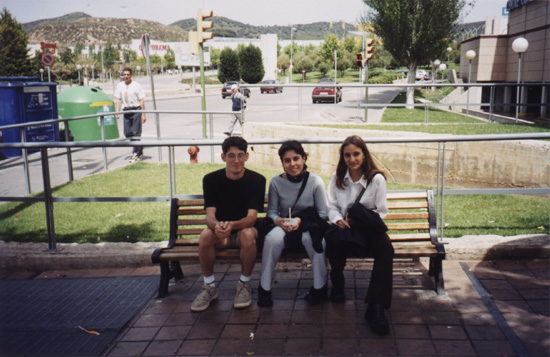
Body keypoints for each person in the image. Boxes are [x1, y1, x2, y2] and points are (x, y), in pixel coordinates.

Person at [325, 135, 394, 335]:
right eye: (347, 155)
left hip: (367, 229)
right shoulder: (337, 177)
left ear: (364, 154)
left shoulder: (377, 179)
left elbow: (381, 212)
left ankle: (376, 305)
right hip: (343, 226)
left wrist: (362, 219)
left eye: (356, 154)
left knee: (385, 248)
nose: (352, 159)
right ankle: (337, 283)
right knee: (334, 239)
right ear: (343, 157)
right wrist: (338, 219)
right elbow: (331, 206)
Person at [191, 136, 266, 312]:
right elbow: (209, 216)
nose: (236, 160)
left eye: (240, 155)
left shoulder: (257, 180)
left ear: (247, 156)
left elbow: (251, 218)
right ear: (223, 157)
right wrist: (217, 226)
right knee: (206, 234)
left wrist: (231, 225)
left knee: (247, 233)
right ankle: (209, 287)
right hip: (221, 234)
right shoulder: (211, 179)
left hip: (243, 232)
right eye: (231, 156)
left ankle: (244, 285)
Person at [258, 140, 329, 307]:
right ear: (282, 163)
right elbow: (272, 211)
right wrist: (278, 221)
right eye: (287, 160)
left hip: (307, 225)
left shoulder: (315, 181)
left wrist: (301, 220)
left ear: (304, 159)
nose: (292, 164)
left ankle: (320, 287)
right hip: (285, 225)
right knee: (272, 239)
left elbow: (322, 214)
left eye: (296, 158)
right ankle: (264, 288)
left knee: (315, 240)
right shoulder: (276, 182)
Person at [114, 67, 146, 163]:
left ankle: (136, 153)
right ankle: (139, 147)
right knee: (127, 133)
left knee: (136, 132)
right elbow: (119, 99)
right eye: (125, 75)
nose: (126, 76)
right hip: (126, 110)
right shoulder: (120, 86)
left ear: (131, 75)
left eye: (128, 74)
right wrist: (117, 111)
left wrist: (143, 114)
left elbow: (141, 100)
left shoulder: (136, 85)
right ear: (122, 75)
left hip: (136, 109)